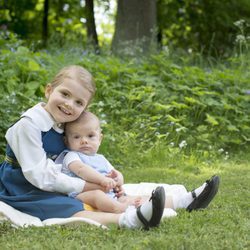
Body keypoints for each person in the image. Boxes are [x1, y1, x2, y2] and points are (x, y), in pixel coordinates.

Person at [0, 65, 166, 230]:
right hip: (20, 185)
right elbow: (40, 176)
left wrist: (103, 179)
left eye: (79, 102)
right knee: (66, 206)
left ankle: (181, 200)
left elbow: (79, 161)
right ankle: (128, 220)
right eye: (65, 94)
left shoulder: (63, 124)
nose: (69, 104)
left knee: (96, 197)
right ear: (49, 90)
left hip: (55, 181)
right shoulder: (29, 125)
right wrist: (89, 185)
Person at [59, 110, 220, 214]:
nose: (84, 141)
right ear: (67, 141)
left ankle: (186, 200)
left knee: (139, 197)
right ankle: (126, 211)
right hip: (81, 195)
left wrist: (118, 179)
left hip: (111, 193)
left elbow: (115, 174)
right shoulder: (71, 156)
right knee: (97, 195)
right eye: (77, 137)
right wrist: (103, 180)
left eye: (90, 136)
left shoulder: (101, 159)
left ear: (100, 139)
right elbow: (81, 170)